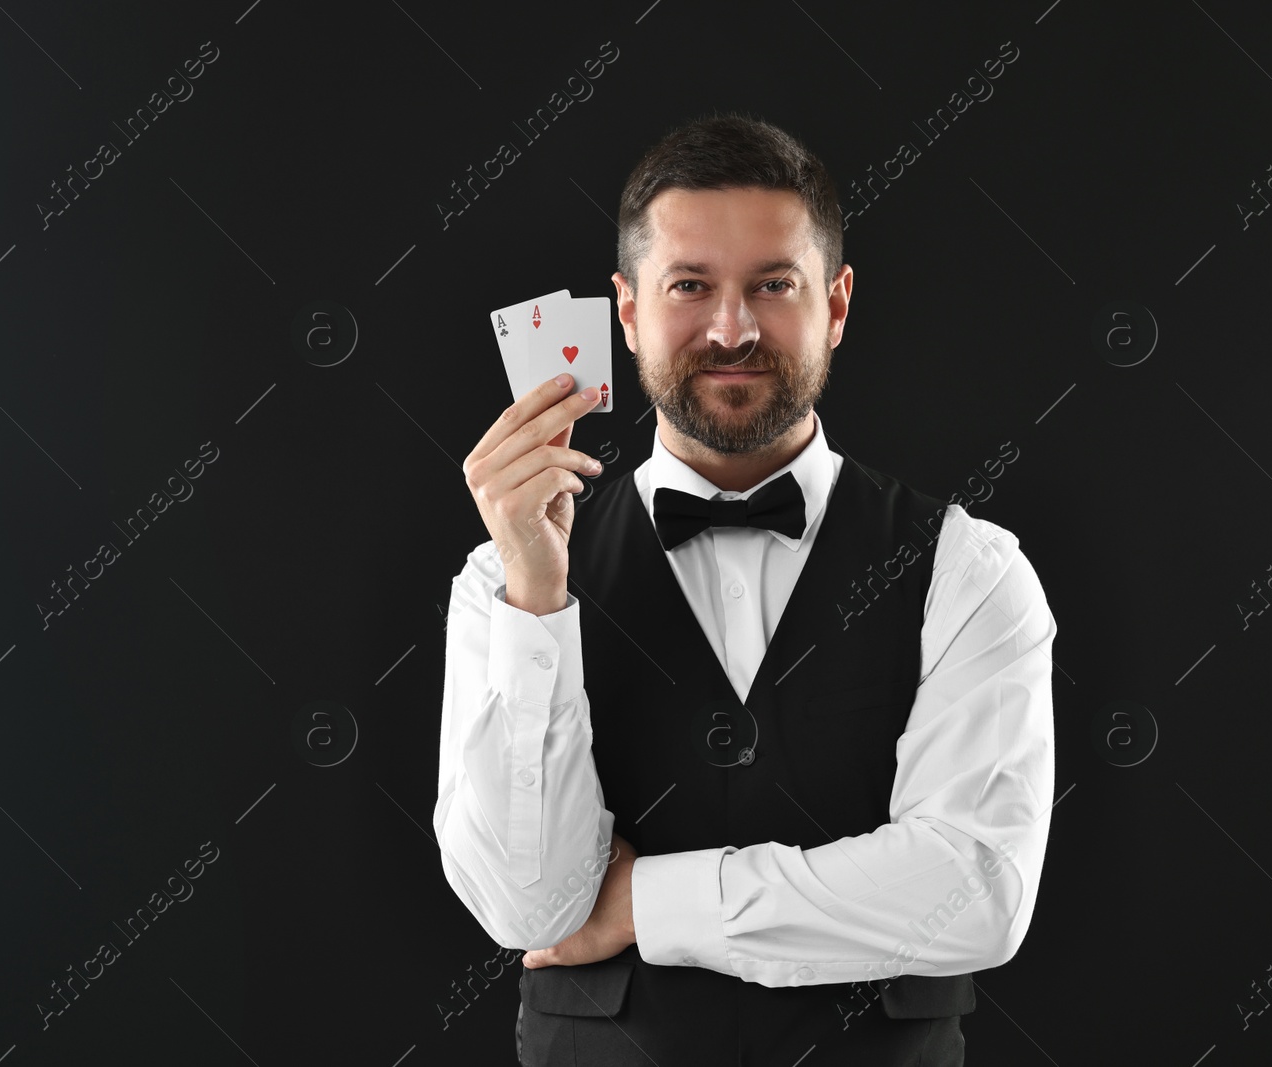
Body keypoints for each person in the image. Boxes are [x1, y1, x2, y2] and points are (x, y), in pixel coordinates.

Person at [432, 111, 1056, 1066]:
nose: (732, 328)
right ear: (628, 310)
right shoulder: (500, 584)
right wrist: (540, 598)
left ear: (836, 305)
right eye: (690, 286)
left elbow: (974, 891)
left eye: (774, 284)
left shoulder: (968, 569)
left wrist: (644, 902)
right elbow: (530, 907)